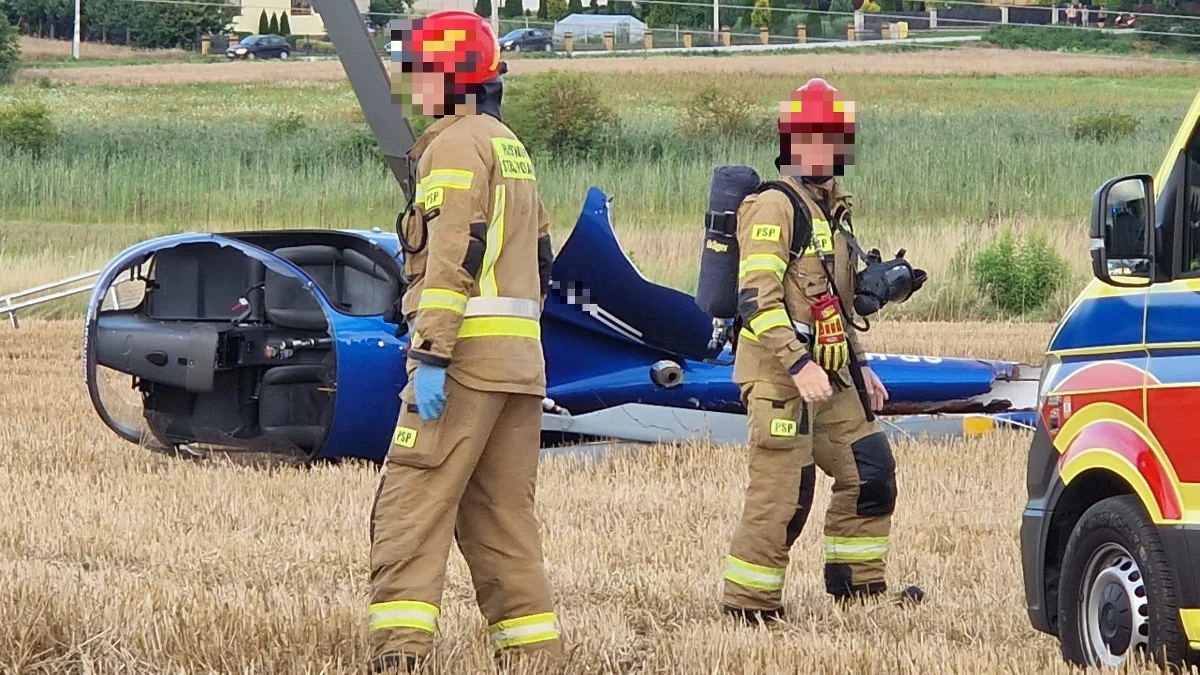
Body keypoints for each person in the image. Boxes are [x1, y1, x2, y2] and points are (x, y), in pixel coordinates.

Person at [368, 10, 561, 672]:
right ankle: (535, 657)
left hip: (465, 362)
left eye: (419, 73)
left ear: (449, 78)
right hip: (519, 366)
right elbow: (543, 258)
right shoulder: (509, 144)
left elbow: (451, 258)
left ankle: (399, 653)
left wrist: (429, 351)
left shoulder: (453, 147)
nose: (411, 86)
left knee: (411, 505)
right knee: (502, 520)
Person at [720, 78, 924, 624]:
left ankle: (858, 590)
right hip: (781, 375)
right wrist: (798, 362)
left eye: (833, 140)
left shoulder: (828, 212)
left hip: (830, 372)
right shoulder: (773, 207)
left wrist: (859, 366)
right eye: (813, 139)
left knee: (871, 468)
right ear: (791, 144)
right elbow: (754, 300)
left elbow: (828, 301)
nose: (826, 151)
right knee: (781, 494)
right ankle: (750, 608)